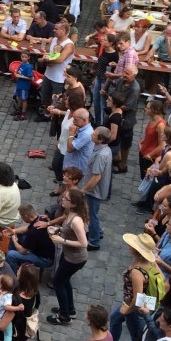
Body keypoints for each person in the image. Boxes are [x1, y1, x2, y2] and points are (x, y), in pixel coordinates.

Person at [47, 189, 90, 325]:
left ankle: (64, 316)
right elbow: (67, 229)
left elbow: (83, 243)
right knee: (65, 281)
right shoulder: (69, 212)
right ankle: (69, 309)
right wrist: (58, 229)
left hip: (75, 259)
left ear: (73, 204)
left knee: (58, 282)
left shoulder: (76, 220)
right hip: (68, 255)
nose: (62, 200)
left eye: (65, 199)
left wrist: (62, 241)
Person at [82, 127, 114, 250]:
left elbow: (96, 177)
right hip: (96, 189)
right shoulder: (105, 149)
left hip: (94, 191)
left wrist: (84, 190)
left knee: (92, 215)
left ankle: (94, 242)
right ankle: (98, 232)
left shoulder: (101, 155)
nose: (91, 135)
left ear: (100, 140)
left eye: (94, 135)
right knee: (92, 213)